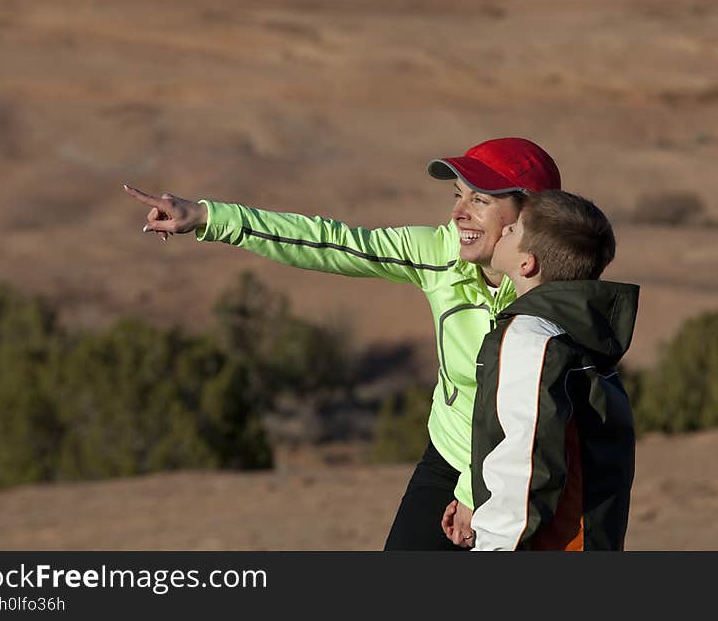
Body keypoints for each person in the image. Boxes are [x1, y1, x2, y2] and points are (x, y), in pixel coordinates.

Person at [123, 137, 562, 550]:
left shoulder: (560, 290)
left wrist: (474, 493)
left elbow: (532, 418)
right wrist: (207, 217)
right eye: (457, 196)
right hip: (449, 458)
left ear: (530, 217)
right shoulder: (438, 254)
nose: (459, 213)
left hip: (522, 472)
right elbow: (333, 242)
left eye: (480, 200)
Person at [440, 190, 638, 550]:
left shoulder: (530, 339)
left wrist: (495, 545)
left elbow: (525, 465)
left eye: (513, 230)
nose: (502, 232)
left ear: (527, 263)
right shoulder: (578, 334)